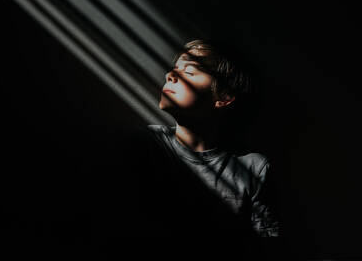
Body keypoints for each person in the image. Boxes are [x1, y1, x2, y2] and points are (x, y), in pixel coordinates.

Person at [86, 39, 288, 260]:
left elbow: (267, 248)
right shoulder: (146, 146)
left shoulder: (253, 168)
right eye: (175, 68)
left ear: (224, 97)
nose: (170, 74)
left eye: (189, 72)